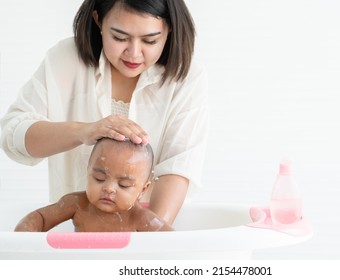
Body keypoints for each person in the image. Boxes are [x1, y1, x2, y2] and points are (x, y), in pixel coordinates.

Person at [0, 0, 209, 226]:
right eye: (119, 38)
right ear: (99, 20)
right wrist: (83, 131)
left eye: (150, 40)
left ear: (169, 29)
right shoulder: (65, 59)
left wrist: (146, 239)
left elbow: (178, 166)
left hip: (151, 240)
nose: (134, 53)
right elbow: (13, 135)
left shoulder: (185, 76)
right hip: (73, 239)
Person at [15, 138, 173, 232]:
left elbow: (176, 243)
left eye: (124, 185)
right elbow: (41, 218)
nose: (109, 188)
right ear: (87, 173)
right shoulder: (76, 204)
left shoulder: (140, 217)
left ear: (142, 190)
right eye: (99, 178)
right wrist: (25, 235)